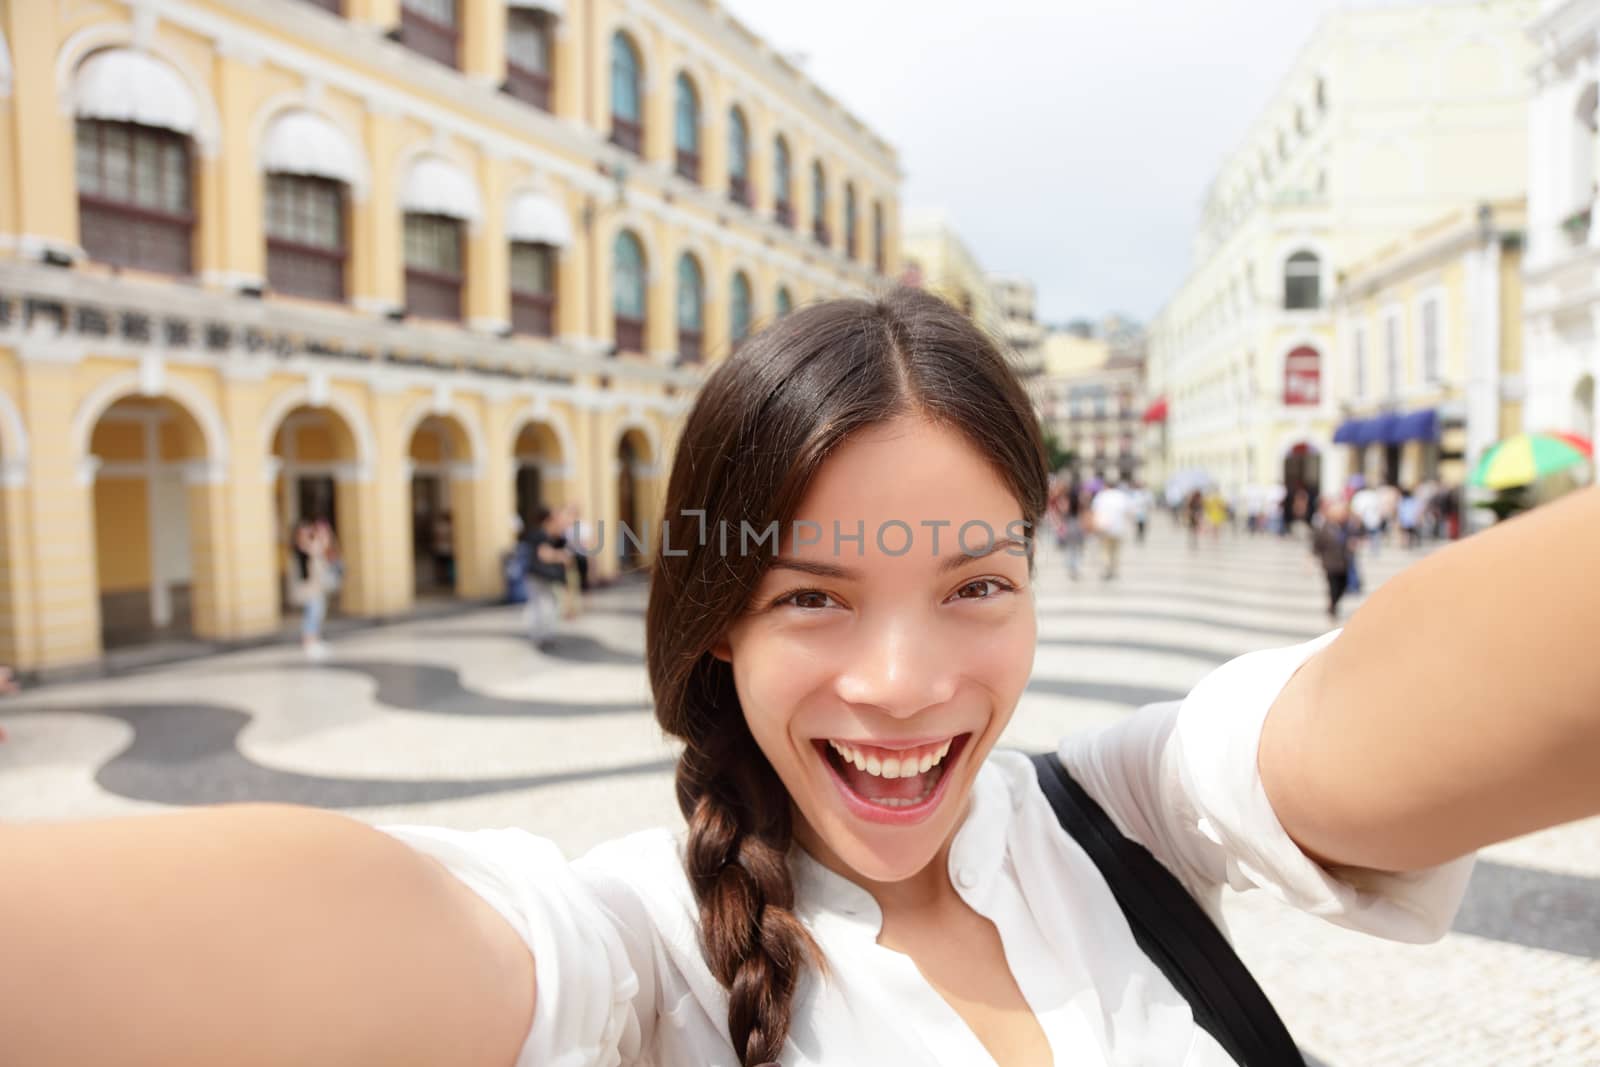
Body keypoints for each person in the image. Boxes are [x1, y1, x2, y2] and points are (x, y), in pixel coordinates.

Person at [7, 289, 1600, 1067]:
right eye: (813, 597)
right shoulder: (653, 954)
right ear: (715, 620)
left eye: (976, 582)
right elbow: (409, 933)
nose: (905, 682)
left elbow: (1377, 713)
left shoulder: (1121, 821)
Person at [522, 505, 573, 649]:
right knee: (540, 606)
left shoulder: (556, 537)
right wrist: (560, 556)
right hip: (537, 576)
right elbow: (543, 555)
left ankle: (546, 635)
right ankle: (540, 636)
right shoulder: (538, 535)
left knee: (549, 605)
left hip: (548, 577)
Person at [288, 518, 334, 660]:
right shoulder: (301, 551)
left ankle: (314, 640)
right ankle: (309, 642)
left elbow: (323, 552)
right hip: (308, 589)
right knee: (311, 615)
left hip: (316, 588)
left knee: (317, 613)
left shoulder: (310, 548)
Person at [1310, 500, 1360, 621]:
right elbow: (1317, 545)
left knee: (1343, 586)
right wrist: (1310, 561)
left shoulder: (1347, 527)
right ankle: (1332, 607)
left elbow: (1357, 533)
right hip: (1330, 563)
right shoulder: (1324, 528)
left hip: (1344, 562)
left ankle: (1333, 604)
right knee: (1333, 587)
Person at [1090, 479, 1132, 580]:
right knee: (1116, 551)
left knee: (1105, 550)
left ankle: (1106, 568)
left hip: (1104, 527)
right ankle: (1113, 569)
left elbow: (1094, 511)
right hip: (1119, 528)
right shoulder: (1121, 496)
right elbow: (1128, 511)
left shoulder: (1101, 496)